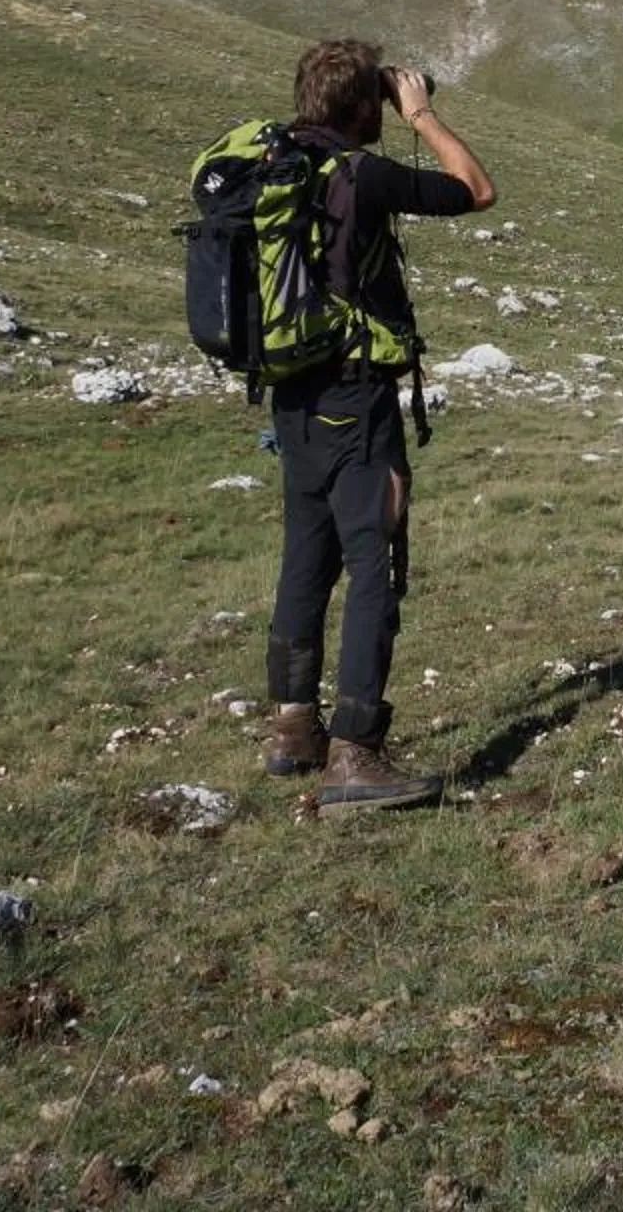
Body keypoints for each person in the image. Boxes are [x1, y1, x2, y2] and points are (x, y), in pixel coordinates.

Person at [261, 39, 495, 810]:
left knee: (307, 557)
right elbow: (475, 188)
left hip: (292, 396)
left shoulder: (273, 167)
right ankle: (356, 753)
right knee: (372, 565)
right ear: (366, 105)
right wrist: (421, 111)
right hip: (355, 398)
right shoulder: (362, 174)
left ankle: (295, 728)